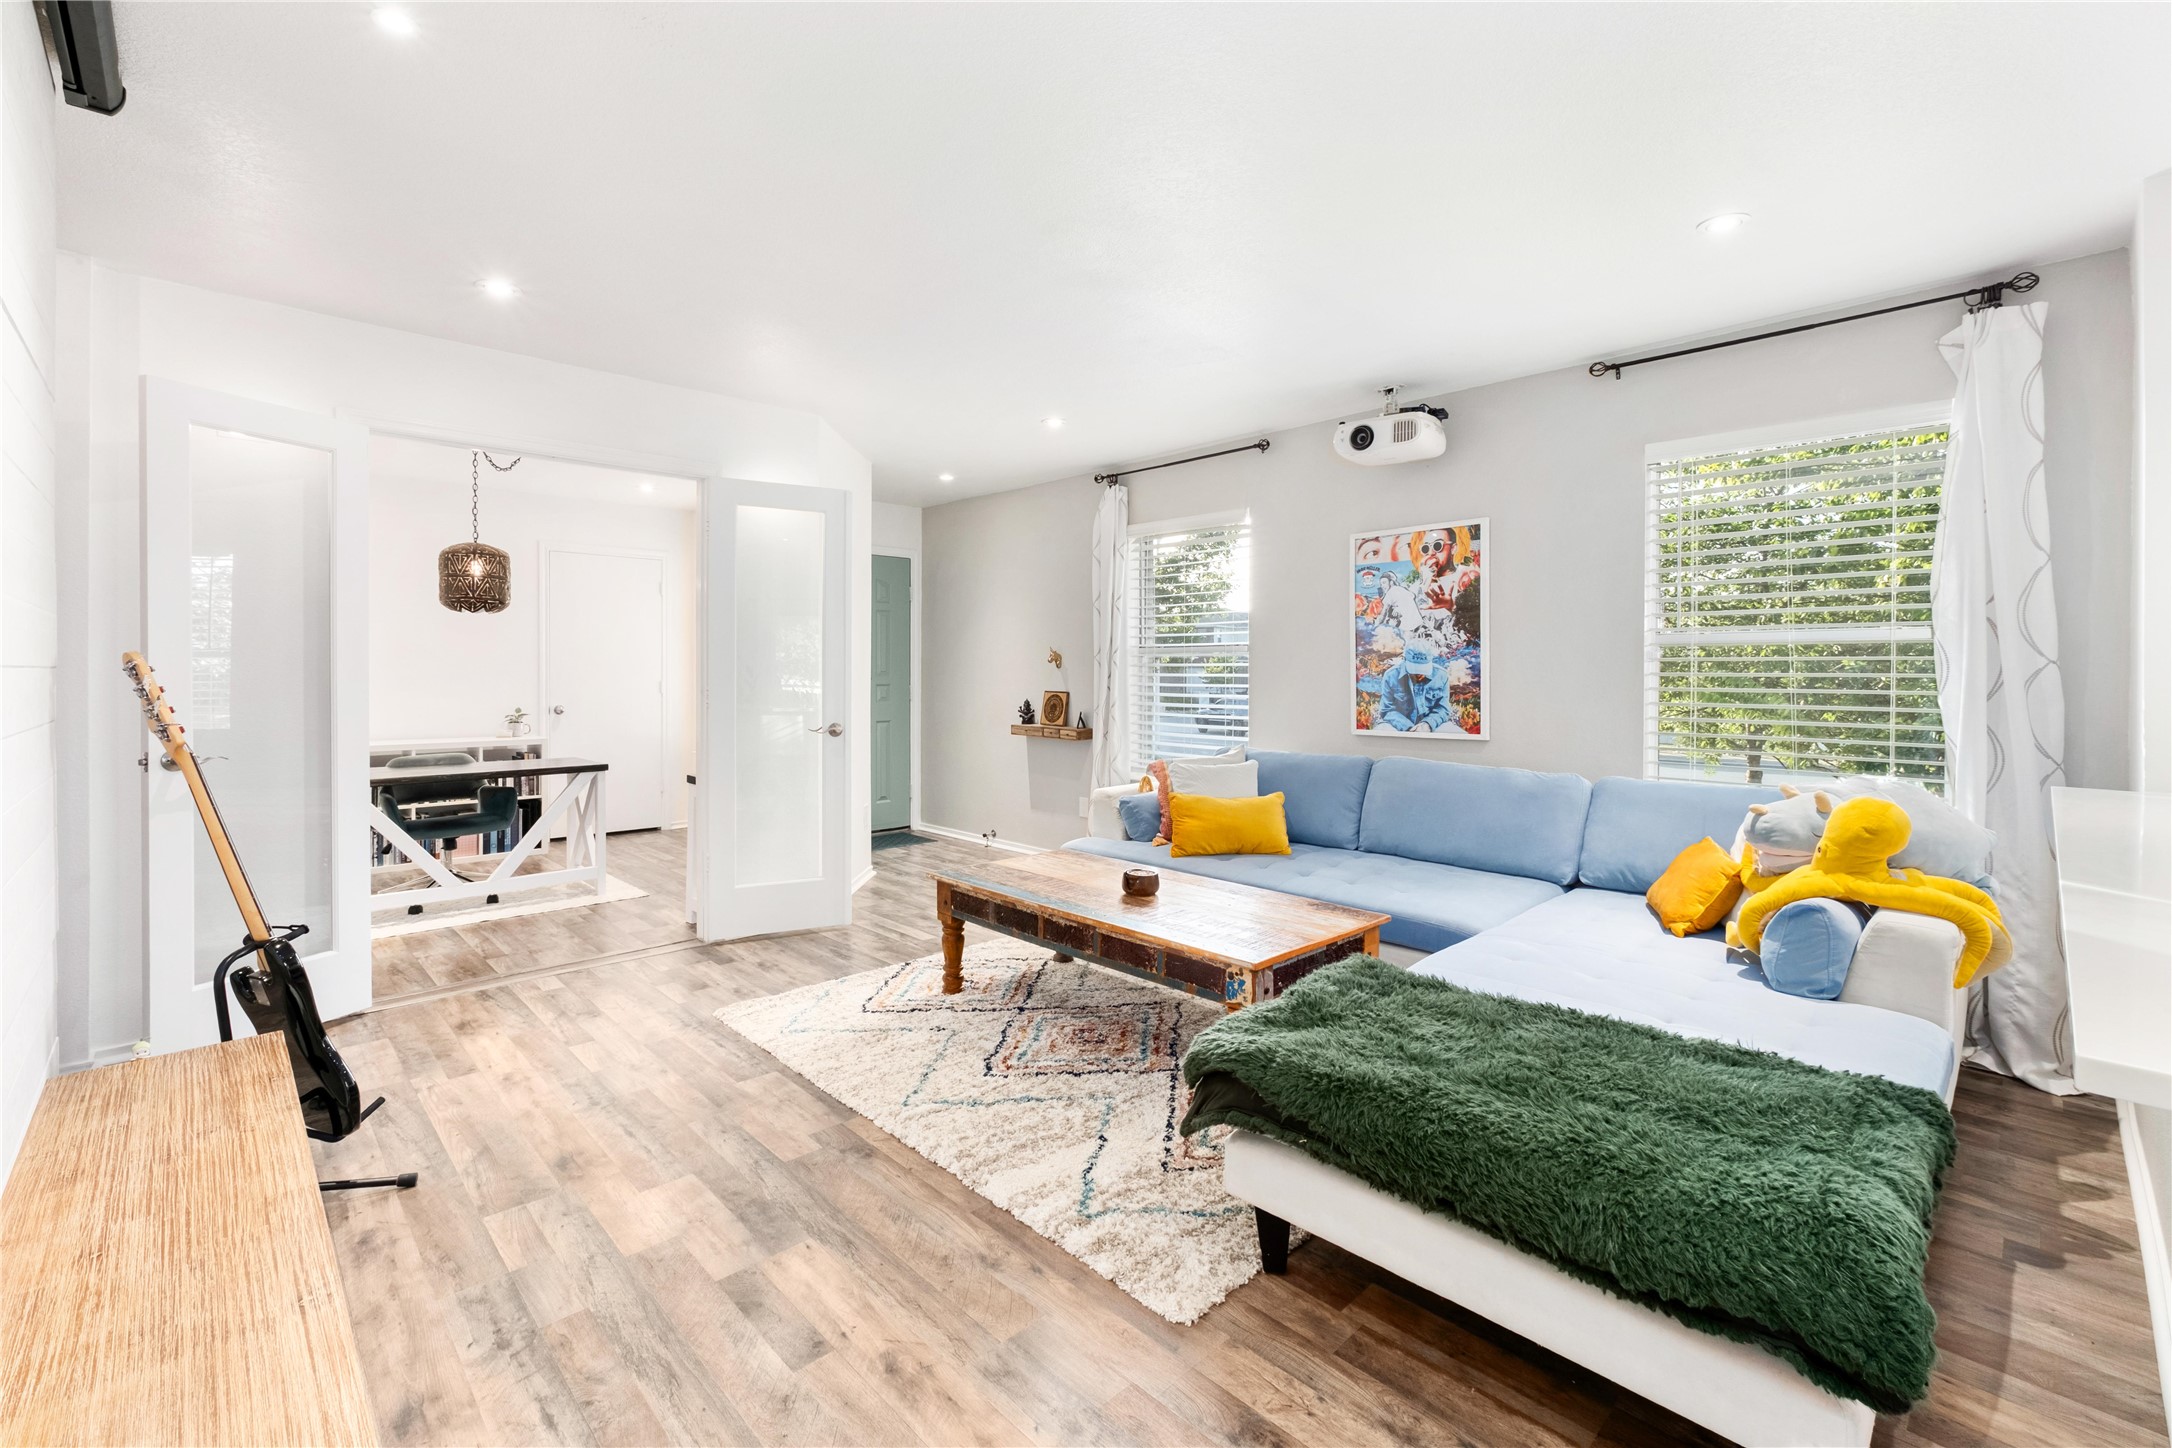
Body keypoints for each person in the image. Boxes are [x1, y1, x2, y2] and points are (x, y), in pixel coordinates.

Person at [1376, 638, 1454, 732]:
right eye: (1414, 671)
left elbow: (1443, 708)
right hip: (1398, 727)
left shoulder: (1441, 675)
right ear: (1405, 660)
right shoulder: (1391, 676)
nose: (1419, 675)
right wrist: (1408, 728)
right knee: (1381, 729)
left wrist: (1428, 724)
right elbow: (1386, 710)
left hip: (1431, 726)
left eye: (1423, 670)